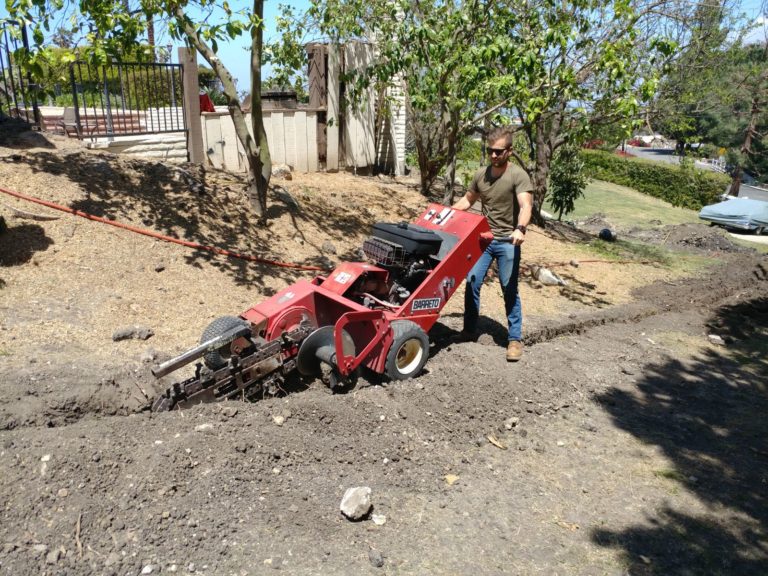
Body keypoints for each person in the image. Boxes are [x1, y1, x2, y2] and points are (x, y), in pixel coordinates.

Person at [452, 126, 534, 361]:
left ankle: (514, 339)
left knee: (508, 288)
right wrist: (444, 214)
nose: (494, 156)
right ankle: (469, 330)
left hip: (509, 240)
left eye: (498, 152)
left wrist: (520, 229)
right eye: (490, 151)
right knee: (472, 280)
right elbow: (467, 201)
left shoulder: (518, 175)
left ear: (510, 151)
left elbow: (526, 206)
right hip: (484, 240)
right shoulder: (481, 175)